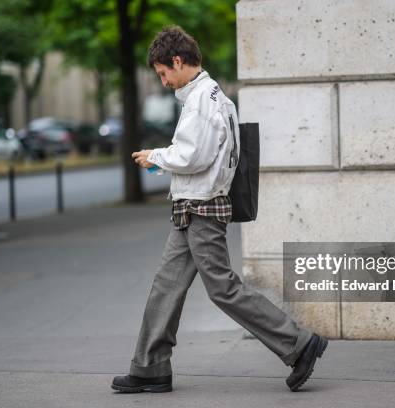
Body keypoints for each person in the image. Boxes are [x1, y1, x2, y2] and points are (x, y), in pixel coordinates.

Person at [111, 26, 327, 394]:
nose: (163, 81)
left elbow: (193, 156)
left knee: (222, 288)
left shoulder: (201, 102)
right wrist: (166, 162)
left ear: (177, 61)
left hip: (202, 208)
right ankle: (150, 367)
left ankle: (299, 343)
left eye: (163, 73)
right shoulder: (216, 99)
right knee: (167, 286)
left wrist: (155, 156)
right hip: (193, 207)